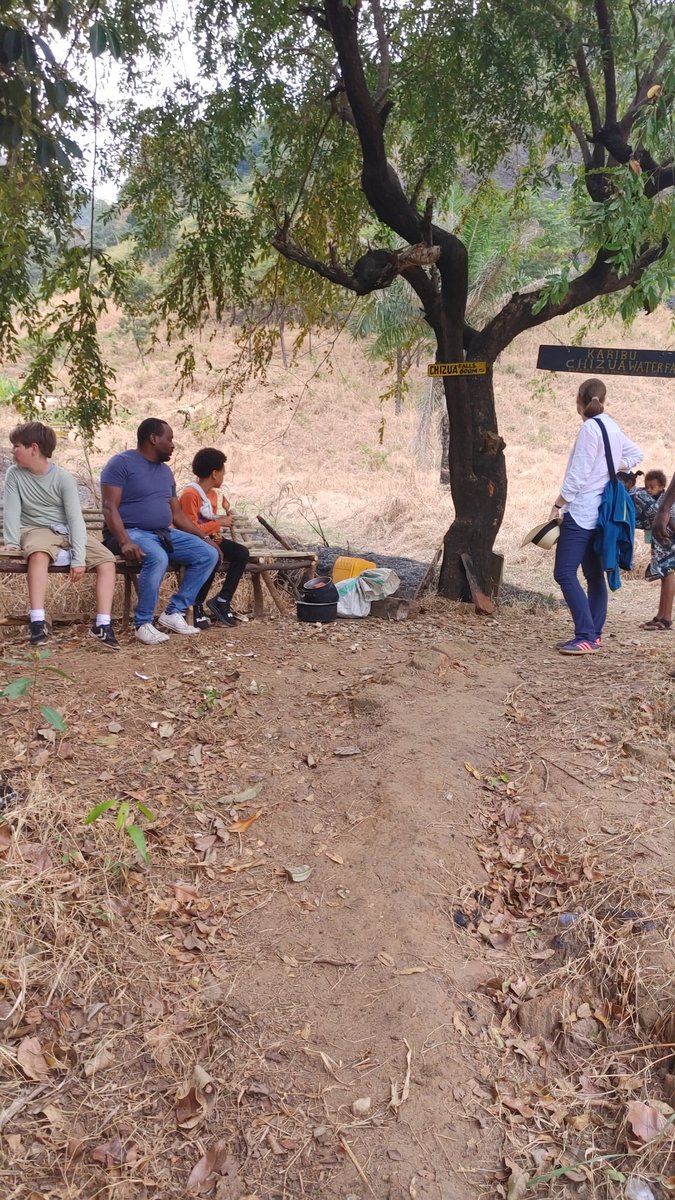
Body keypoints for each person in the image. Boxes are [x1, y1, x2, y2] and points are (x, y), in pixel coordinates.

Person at [101, 419, 220, 645]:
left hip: (162, 533)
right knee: (158, 557)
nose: (173, 445)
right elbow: (109, 507)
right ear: (154, 439)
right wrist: (125, 541)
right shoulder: (121, 463)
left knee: (208, 554)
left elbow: (177, 515)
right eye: (170, 439)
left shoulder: (165, 472)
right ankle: (143, 623)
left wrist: (204, 537)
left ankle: (173, 613)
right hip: (128, 533)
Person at [1, 421, 119, 649]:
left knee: (107, 561)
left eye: (17, 446)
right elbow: (13, 513)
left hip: (66, 530)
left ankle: (103, 625)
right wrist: (13, 542)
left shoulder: (62, 477)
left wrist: (78, 558)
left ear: (33, 448)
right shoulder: (15, 475)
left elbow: (75, 519)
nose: (13, 451)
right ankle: (37, 621)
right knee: (38, 555)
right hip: (35, 530)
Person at [549, 378, 643, 655]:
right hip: (602, 512)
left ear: (579, 400)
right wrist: (612, 467)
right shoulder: (611, 426)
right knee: (593, 573)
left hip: (581, 511)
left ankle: (586, 635)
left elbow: (577, 477)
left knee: (564, 572)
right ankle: (594, 634)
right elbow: (637, 453)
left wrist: (557, 504)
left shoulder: (590, 429)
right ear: (603, 400)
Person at [178, 448, 250, 628]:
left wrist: (216, 533)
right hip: (192, 540)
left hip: (208, 538)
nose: (224, 477)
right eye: (223, 472)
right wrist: (219, 524)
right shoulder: (190, 494)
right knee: (213, 555)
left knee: (241, 553)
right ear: (214, 473)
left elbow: (209, 522)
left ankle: (222, 600)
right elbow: (189, 528)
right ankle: (197, 605)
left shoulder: (212, 495)